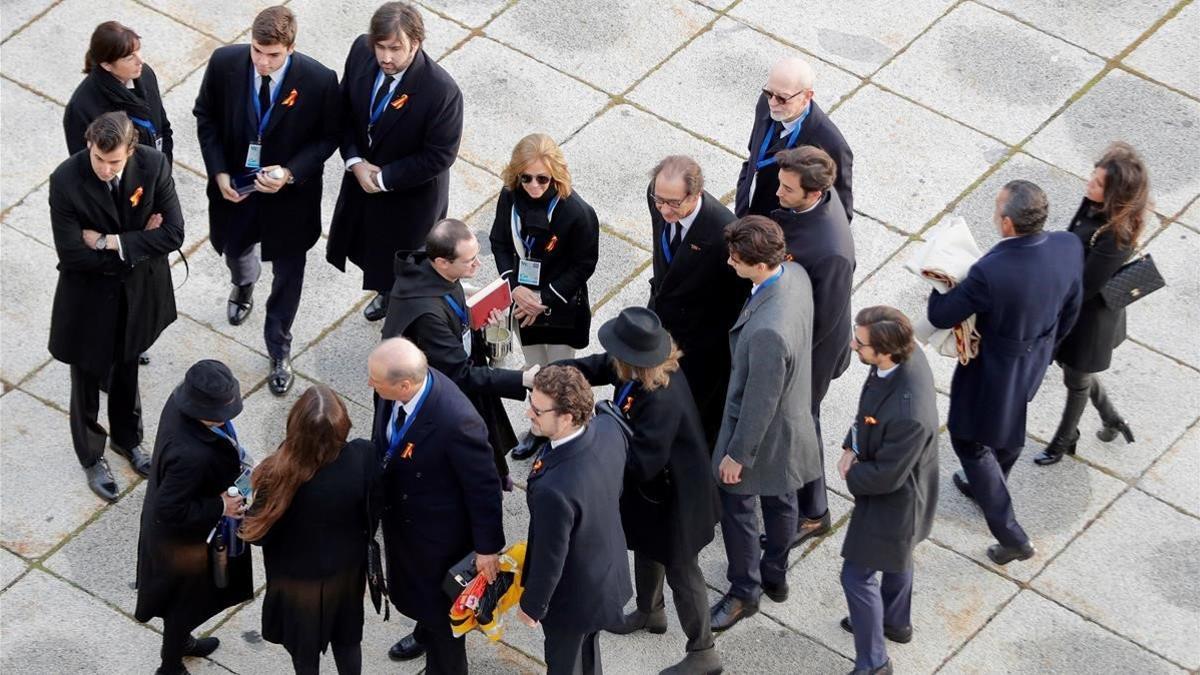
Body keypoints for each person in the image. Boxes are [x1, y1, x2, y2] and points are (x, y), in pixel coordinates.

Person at [557, 308, 722, 675]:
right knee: (648, 546)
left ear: (635, 360)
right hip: (655, 497)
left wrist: (596, 439)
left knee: (682, 570)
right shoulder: (640, 372)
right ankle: (651, 611)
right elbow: (602, 365)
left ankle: (703, 651)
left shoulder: (661, 400)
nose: (613, 358)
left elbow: (641, 463)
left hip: (678, 501)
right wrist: (561, 373)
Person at [928, 180, 1083, 565]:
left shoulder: (991, 271)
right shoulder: (1068, 246)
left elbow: (939, 315)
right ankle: (988, 485)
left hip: (994, 371)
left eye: (997, 211)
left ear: (1009, 224)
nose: (994, 216)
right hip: (1034, 357)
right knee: (1008, 427)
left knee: (969, 441)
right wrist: (1046, 351)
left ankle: (1011, 535)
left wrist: (937, 277)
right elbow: (1071, 308)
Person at [193, 5, 340, 395]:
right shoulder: (225, 63)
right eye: (257, 50)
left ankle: (279, 347)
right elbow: (205, 116)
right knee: (235, 249)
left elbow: (329, 138)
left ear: (290, 48)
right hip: (235, 188)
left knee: (288, 277)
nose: (262, 61)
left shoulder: (319, 80)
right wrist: (218, 170)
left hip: (289, 200)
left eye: (272, 55)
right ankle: (243, 284)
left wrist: (289, 173)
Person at [48, 111, 183, 502]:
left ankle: (128, 440)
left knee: (127, 367)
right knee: (86, 379)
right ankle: (91, 455)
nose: (106, 169)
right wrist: (142, 240)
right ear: (89, 145)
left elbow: (174, 232)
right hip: (88, 299)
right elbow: (73, 254)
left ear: (130, 151)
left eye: (115, 162)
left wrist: (111, 241)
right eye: (99, 160)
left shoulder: (153, 165)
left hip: (137, 293)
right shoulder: (66, 180)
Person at [709, 216, 820, 632]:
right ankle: (775, 572)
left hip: (763, 433)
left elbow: (759, 400)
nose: (730, 263)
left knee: (738, 507)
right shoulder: (796, 273)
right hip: (791, 423)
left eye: (736, 259)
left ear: (757, 264)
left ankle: (745, 591)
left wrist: (738, 454)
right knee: (782, 498)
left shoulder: (768, 331)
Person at [367, 338, 504, 673]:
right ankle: (423, 630)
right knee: (421, 602)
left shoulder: (456, 421)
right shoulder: (390, 393)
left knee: (446, 627)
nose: (369, 383)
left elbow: (484, 487)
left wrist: (488, 549)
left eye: (375, 380)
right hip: (405, 525)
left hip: (440, 540)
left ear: (404, 385)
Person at [327, 2, 464, 322]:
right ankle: (386, 291)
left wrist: (384, 179)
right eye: (381, 47)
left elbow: (440, 155)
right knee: (369, 249)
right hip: (362, 178)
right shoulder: (361, 53)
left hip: (410, 197)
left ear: (416, 44)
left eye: (395, 48)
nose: (386, 57)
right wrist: (355, 161)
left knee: (405, 262)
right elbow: (342, 110)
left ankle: (400, 302)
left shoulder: (440, 91)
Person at [381, 218, 538, 488]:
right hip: (441, 396)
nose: (477, 265)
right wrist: (521, 380)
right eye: (469, 261)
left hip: (456, 370)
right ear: (442, 262)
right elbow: (460, 374)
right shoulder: (427, 315)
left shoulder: (435, 272)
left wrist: (476, 320)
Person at [241, 385, 374, 675]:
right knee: (348, 641)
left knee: (305, 658)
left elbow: (259, 536)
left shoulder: (277, 475)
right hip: (346, 576)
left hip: (297, 586)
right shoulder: (364, 456)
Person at [837, 307, 939, 675]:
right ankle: (895, 622)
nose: (852, 345)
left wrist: (851, 470)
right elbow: (868, 412)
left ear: (886, 351)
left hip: (897, 502)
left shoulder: (908, 413)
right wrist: (852, 442)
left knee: (856, 577)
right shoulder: (897, 362)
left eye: (860, 344)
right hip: (901, 491)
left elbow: (886, 477)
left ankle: (874, 662)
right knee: (899, 559)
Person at [135, 360, 254, 675]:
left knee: (186, 603)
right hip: (181, 542)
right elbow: (170, 509)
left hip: (186, 533)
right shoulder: (190, 455)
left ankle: (181, 644)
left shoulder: (179, 401)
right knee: (182, 605)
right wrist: (220, 506)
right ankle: (170, 665)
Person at [1035, 142, 1148, 465]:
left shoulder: (1117, 235)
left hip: (1090, 321)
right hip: (1075, 309)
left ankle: (1065, 438)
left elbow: (1085, 286)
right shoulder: (1093, 207)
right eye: (1092, 177)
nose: (1089, 184)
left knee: (1076, 379)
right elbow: (1072, 241)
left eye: (1097, 183)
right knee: (1075, 372)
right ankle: (1112, 418)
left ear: (1115, 194)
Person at [517, 366, 632, 675]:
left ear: (566, 417)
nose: (529, 413)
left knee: (564, 665)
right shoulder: (609, 429)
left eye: (537, 410)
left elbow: (550, 557)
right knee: (588, 652)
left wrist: (532, 606)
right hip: (607, 576)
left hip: (573, 597)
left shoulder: (554, 490)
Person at [771, 145, 856, 547]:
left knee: (801, 422)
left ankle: (814, 510)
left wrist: (790, 361)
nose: (779, 194)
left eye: (788, 190)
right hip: (799, 334)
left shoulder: (831, 250)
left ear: (814, 193)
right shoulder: (812, 202)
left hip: (812, 351)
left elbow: (826, 317)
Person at [646, 155, 748, 448]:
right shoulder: (658, 198)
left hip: (700, 343)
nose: (664, 209)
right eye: (659, 201)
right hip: (663, 321)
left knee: (694, 414)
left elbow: (734, 300)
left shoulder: (723, 231)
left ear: (696, 194)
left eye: (674, 203)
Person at [488, 132, 600, 369]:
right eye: (526, 178)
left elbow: (584, 265)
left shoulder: (578, 213)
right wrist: (514, 287)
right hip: (522, 298)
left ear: (555, 175)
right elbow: (500, 243)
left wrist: (543, 299)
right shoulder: (510, 196)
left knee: (559, 373)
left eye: (542, 179)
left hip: (559, 304)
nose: (533, 186)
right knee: (535, 367)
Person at [734, 56, 853, 222]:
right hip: (745, 216)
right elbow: (753, 156)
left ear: (807, 96)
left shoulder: (830, 144)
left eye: (782, 98)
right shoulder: (765, 103)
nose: (773, 103)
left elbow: (840, 214)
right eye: (768, 93)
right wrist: (742, 196)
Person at [65, 21, 173, 162]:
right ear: (107, 65)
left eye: (138, 51)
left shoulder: (145, 74)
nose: (140, 60)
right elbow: (86, 164)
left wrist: (164, 170)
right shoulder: (81, 108)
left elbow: (163, 127)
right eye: (129, 57)